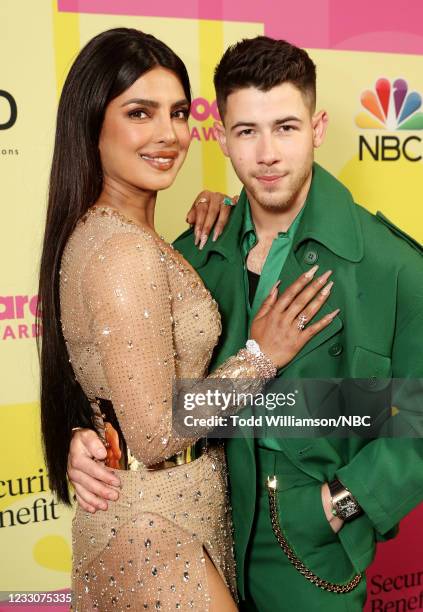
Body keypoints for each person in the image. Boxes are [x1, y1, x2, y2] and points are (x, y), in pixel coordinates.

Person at [68, 36, 423, 611]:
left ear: (318, 127)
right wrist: (93, 438)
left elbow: (418, 411)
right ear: (223, 137)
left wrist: (342, 503)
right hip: (202, 530)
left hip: (308, 544)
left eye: (285, 127)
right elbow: (144, 386)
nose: (267, 155)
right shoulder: (193, 254)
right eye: (246, 131)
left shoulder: (390, 264)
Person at [38, 29, 339, 611]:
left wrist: (224, 203)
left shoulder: (145, 237)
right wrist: (259, 358)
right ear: (91, 124)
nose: (168, 134)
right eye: (139, 112)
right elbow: (152, 432)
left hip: (175, 516)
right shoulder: (120, 251)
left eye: (178, 112)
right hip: (154, 529)